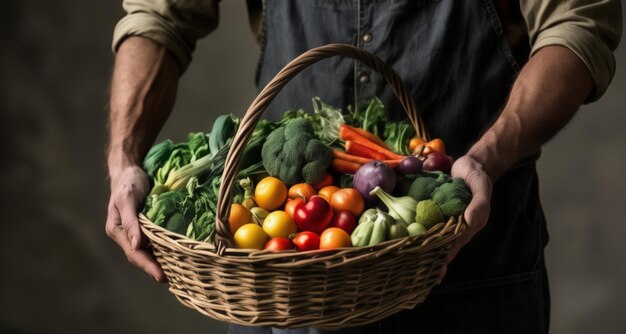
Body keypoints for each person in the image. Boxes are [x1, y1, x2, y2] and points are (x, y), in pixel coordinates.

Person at [105, 1, 622, 333]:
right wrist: (125, 157)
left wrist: (486, 156)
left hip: (468, 263)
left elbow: (576, 25)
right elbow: (160, 15)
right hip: (282, 286)